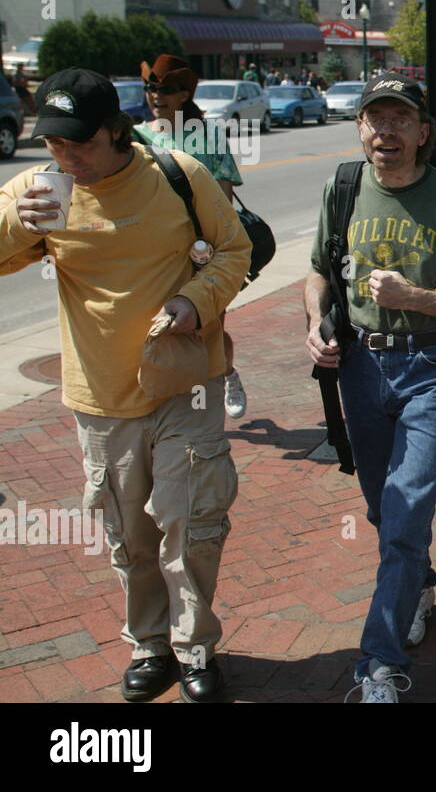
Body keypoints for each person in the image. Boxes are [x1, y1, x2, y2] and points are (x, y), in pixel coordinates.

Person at [0, 68, 252, 702]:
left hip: (183, 385)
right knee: (130, 534)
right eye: (55, 145)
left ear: (118, 131)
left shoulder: (175, 173)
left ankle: (196, 650)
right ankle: (151, 644)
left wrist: (197, 299)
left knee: (190, 520)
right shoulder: (37, 190)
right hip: (101, 395)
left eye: (79, 145)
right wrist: (19, 228)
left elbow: (234, 248)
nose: (66, 158)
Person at [304, 72, 436, 703]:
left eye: (400, 121)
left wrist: (415, 297)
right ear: (361, 126)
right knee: (382, 507)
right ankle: (417, 581)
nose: (385, 131)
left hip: (433, 367)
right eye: (375, 119)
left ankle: (379, 666)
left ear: (424, 132)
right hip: (361, 369)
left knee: (407, 508)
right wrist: (316, 323)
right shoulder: (343, 189)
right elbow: (317, 273)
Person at [135, 54, 249, 419]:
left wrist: (212, 250)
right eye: (151, 88)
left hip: (200, 255)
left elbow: (224, 202)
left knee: (207, 326)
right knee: (155, 327)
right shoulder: (135, 137)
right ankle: (167, 400)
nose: (157, 95)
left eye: (166, 89)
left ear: (184, 94)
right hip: (150, 255)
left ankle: (226, 374)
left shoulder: (207, 135)